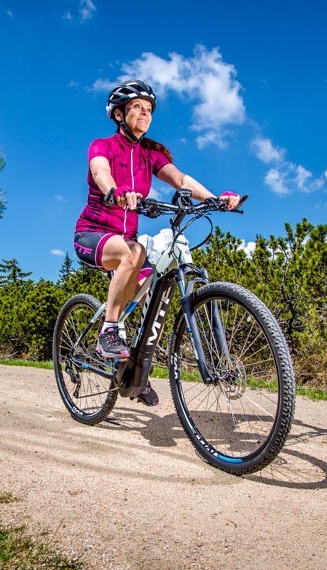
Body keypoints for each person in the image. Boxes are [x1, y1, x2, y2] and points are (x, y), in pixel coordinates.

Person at [73, 79, 241, 406]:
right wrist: (115, 192)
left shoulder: (150, 153)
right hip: (92, 234)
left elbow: (180, 180)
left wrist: (215, 199)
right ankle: (108, 330)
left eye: (149, 110)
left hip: (128, 241)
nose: (144, 114)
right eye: (137, 107)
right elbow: (100, 172)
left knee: (153, 282)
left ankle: (135, 368)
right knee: (134, 253)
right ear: (120, 114)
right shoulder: (103, 146)